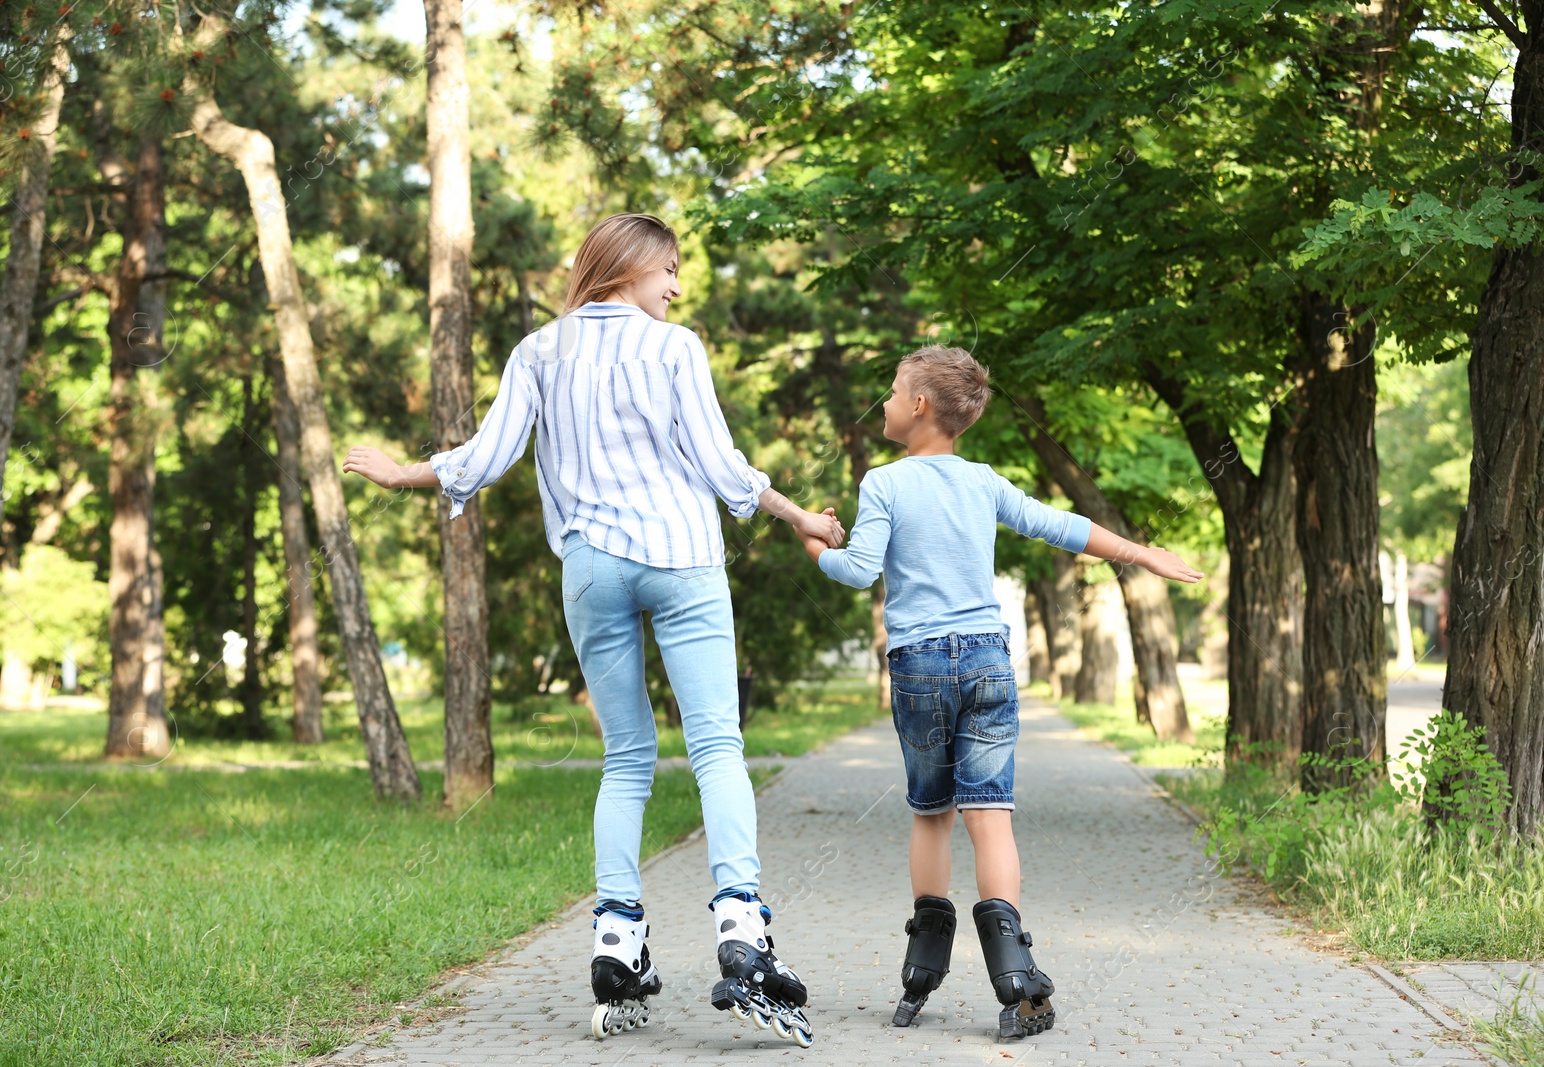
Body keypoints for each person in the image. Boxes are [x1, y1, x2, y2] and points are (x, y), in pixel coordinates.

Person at [343, 214, 840, 1048]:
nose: (676, 286)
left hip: (592, 566)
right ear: (632, 265)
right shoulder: (673, 347)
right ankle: (741, 931)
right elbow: (721, 465)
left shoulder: (539, 350)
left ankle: (616, 939)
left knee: (627, 757)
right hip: (680, 556)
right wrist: (796, 517)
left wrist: (402, 473)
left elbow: (488, 453)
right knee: (717, 746)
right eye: (670, 268)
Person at [793, 344, 1202, 1040]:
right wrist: (1141, 553)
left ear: (920, 406)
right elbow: (1061, 526)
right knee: (992, 816)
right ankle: (1015, 983)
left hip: (918, 663)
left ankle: (920, 973)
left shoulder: (883, 483)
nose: (885, 400)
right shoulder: (984, 480)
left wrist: (813, 541)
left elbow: (860, 572)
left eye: (893, 390)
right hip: (985, 658)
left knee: (931, 814)